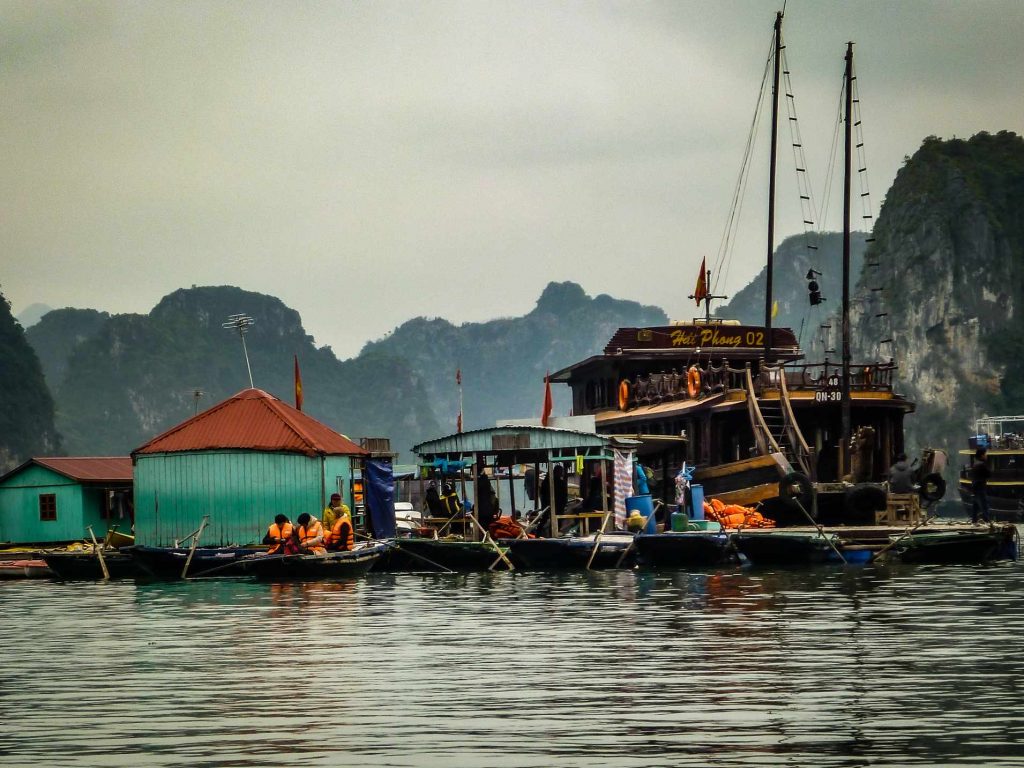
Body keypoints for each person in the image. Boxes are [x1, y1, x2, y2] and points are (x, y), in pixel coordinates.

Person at [971, 447, 991, 525]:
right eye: (985, 454)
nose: (986, 456)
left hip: (975, 487)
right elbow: (988, 474)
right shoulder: (982, 465)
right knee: (984, 505)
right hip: (980, 488)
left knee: (975, 506)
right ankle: (987, 521)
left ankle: (974, 521)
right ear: (982, 455)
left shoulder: (975, 464)